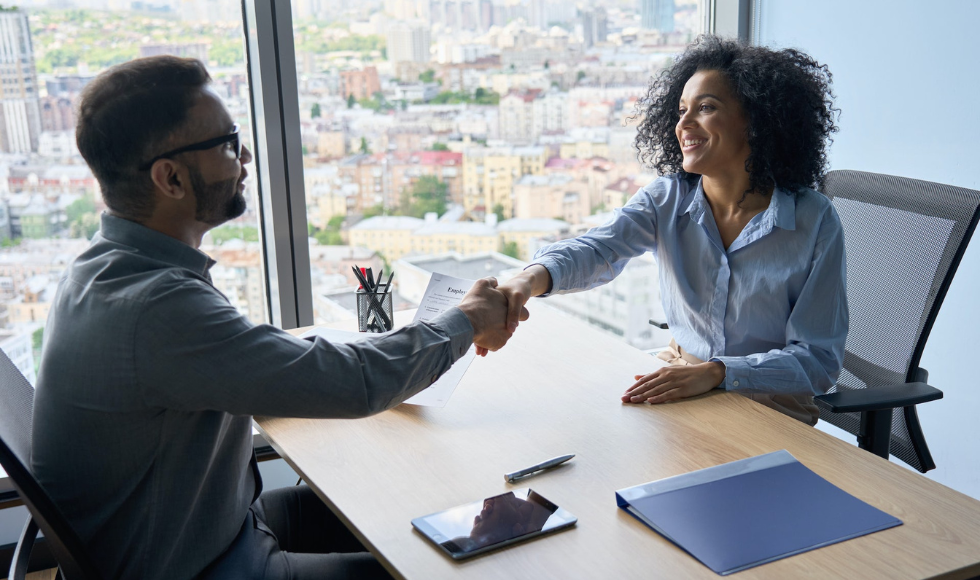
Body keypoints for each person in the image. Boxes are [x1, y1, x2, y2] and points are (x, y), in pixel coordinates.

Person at [31, 56, 526, 580]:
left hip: (205, 526)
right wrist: (465, 319)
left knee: (418, 506)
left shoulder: (108, 267)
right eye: (225, 143)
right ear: (170, 177)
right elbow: (355, 384)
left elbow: (243, 357)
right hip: (199, 564)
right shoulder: (155, 308)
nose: (244, 156)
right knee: (446, 569)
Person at [498, 36, 847, 426]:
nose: (683, 124)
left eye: (706, 108)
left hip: (770, 406)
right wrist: (526, 282)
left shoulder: (814, 221)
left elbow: (818, 360)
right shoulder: (667, 199)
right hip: (678, 383)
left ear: (757, 120)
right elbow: (597, 250)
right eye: (681, 110)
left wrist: (718, 373)